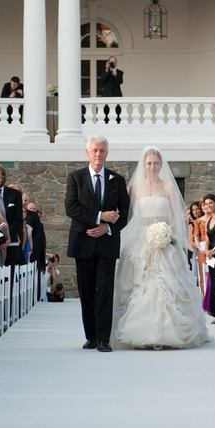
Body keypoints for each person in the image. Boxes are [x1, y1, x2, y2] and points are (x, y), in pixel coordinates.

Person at [112, 146, 211, 350]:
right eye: (149, 163)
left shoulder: (167, 187)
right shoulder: (135, 188)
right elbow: (128, 214)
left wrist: (166, 231)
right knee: (141, 285)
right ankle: (141, 332)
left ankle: (165, 333)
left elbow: (176, 215)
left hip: (164, 239)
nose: (153, 166)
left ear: (161, 164)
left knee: (165, 284)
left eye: (156, 163)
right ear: (144, 165)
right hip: (141, 240)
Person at [65, 135, 130, 352]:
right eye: (94, 150)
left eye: (102, 150)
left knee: (104, 291)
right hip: (83, 241)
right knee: (86, 291)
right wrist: (100, 216)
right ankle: (90, 336)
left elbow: (125, 212)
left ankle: (104, 339)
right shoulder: (75, 178)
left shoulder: (117, 180)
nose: (98, 154)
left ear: (107, 153)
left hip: (107, 244)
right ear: (87, 153)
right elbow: (71, 208)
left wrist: (108, 227)